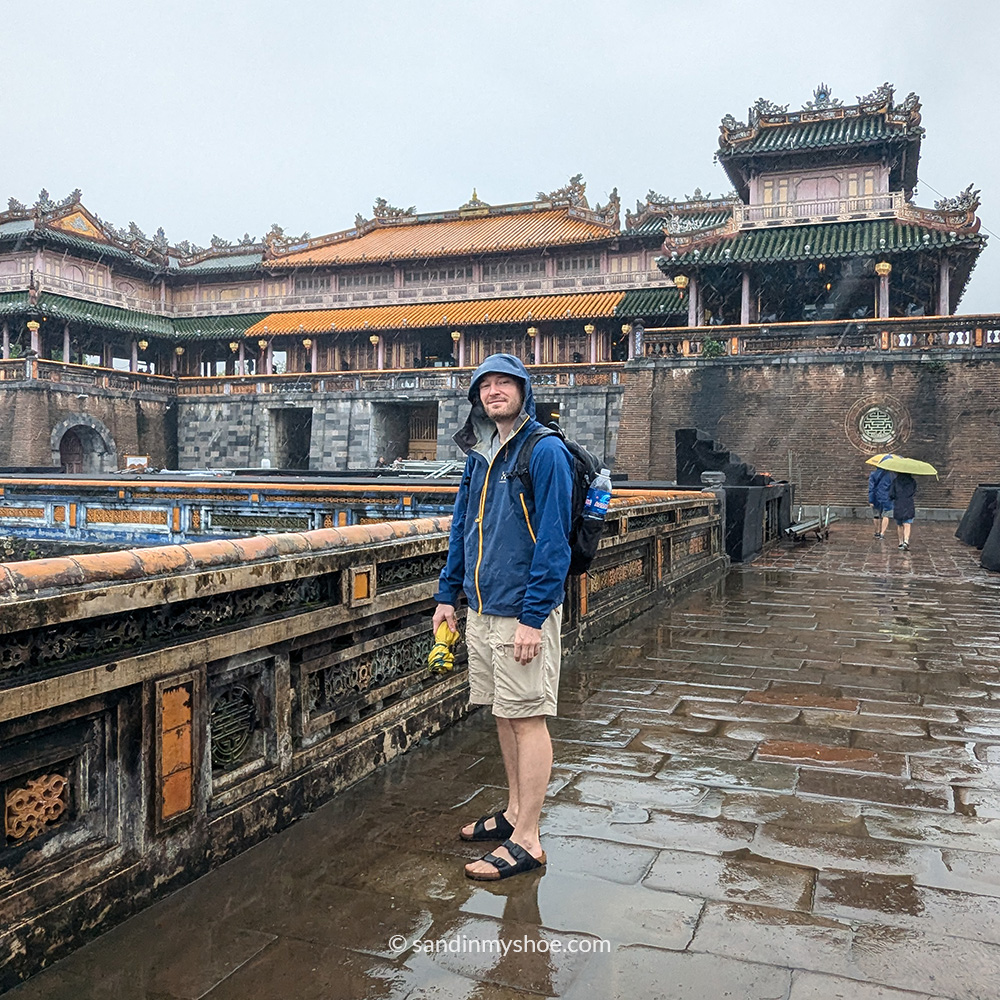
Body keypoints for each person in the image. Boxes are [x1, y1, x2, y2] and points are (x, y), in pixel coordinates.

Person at [433, 353, 572, 881]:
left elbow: (554, 540)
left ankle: (530, 839)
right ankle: (515, 813)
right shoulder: (479, 455)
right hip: (482, 605)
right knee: (503, 711)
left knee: (528, 714)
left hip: (521, 610)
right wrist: (449, 594)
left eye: (503, 384)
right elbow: (462, 528)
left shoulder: (544, 451)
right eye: (484, 386)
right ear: (477, 399)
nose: (494, 392)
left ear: (523, 391)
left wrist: (534, 617)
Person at [889, 471, 917, 550]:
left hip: (898, 504)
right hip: (909, 504)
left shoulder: (895, 481)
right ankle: (906, 541)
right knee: (907, 523)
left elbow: (891, 494)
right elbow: (914, 492)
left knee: (899, 524)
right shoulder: (912, 481)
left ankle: (900, 542)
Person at [868, 466, 893, 538]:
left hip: (876, 497)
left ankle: (877, 532)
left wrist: (871, 500)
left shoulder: (873, 474)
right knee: (886, 515)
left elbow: (871, 488)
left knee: (876, 515)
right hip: (887, 498)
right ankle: (882, 533)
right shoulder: (891, 476)